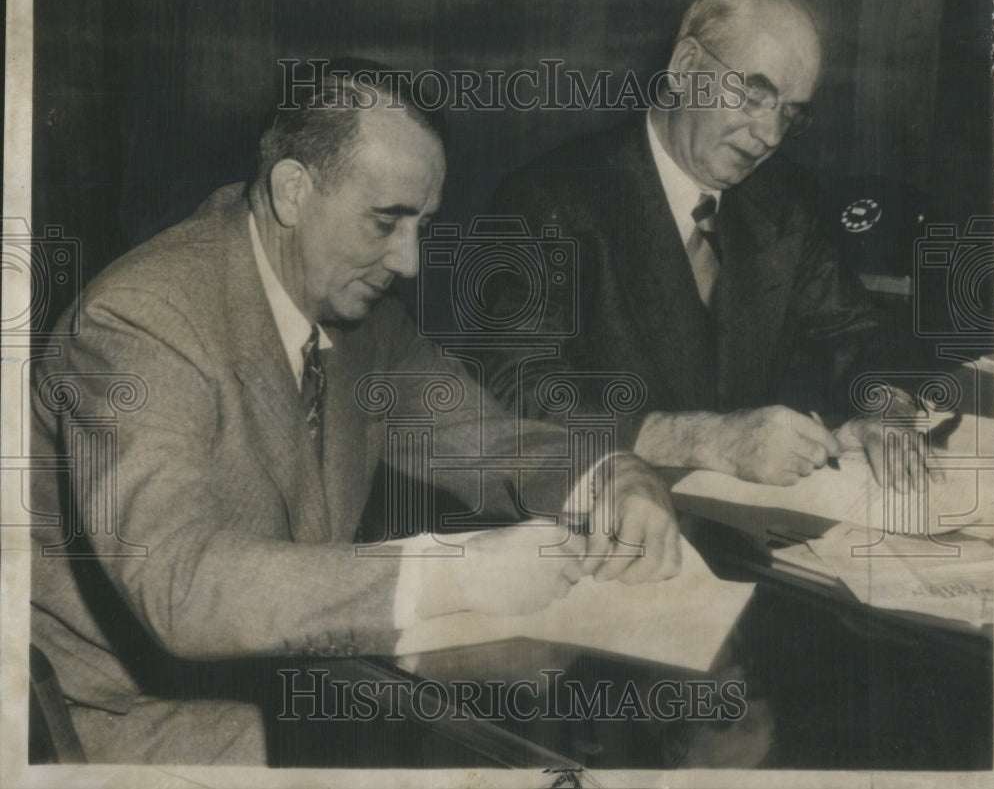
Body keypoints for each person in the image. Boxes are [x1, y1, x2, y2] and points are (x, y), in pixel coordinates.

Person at [29, 68, 680, 764]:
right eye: (385, 221)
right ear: (292, 191)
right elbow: (183, 585)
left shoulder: (362, 321)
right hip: (126, 729)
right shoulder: (142, 319)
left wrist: (612, 476)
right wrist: (452, 571)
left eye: (422, 225)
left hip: (299, 695)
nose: (408, 260)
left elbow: (496, 444)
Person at [486, 0, 927, 489]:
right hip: (608, 518)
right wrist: (703, 440)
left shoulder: (784, 199)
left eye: (789, 112)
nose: (770, 135)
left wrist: (887, 411)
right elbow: (513, 390)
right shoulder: (548, 201)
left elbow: (861, 335)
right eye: (754, 95)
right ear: (686, 67)